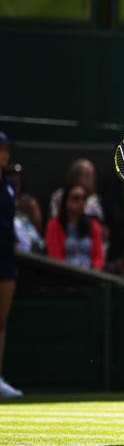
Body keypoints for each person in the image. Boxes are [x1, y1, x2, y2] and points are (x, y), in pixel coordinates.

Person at [0, 132, 22, 398]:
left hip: (5, 256)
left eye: (5, 150)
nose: (3, 154)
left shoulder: (8, 184)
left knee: (1, 320)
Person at [45, 184, 105, 270]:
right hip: (63, 274)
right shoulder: (54, 225)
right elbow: (55, 255)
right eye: (75, 198)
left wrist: (94, 272)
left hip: (90, 275)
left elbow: (98, 256)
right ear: (66, 201)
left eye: (83, 198)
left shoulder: (93, 225)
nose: (80, 202)